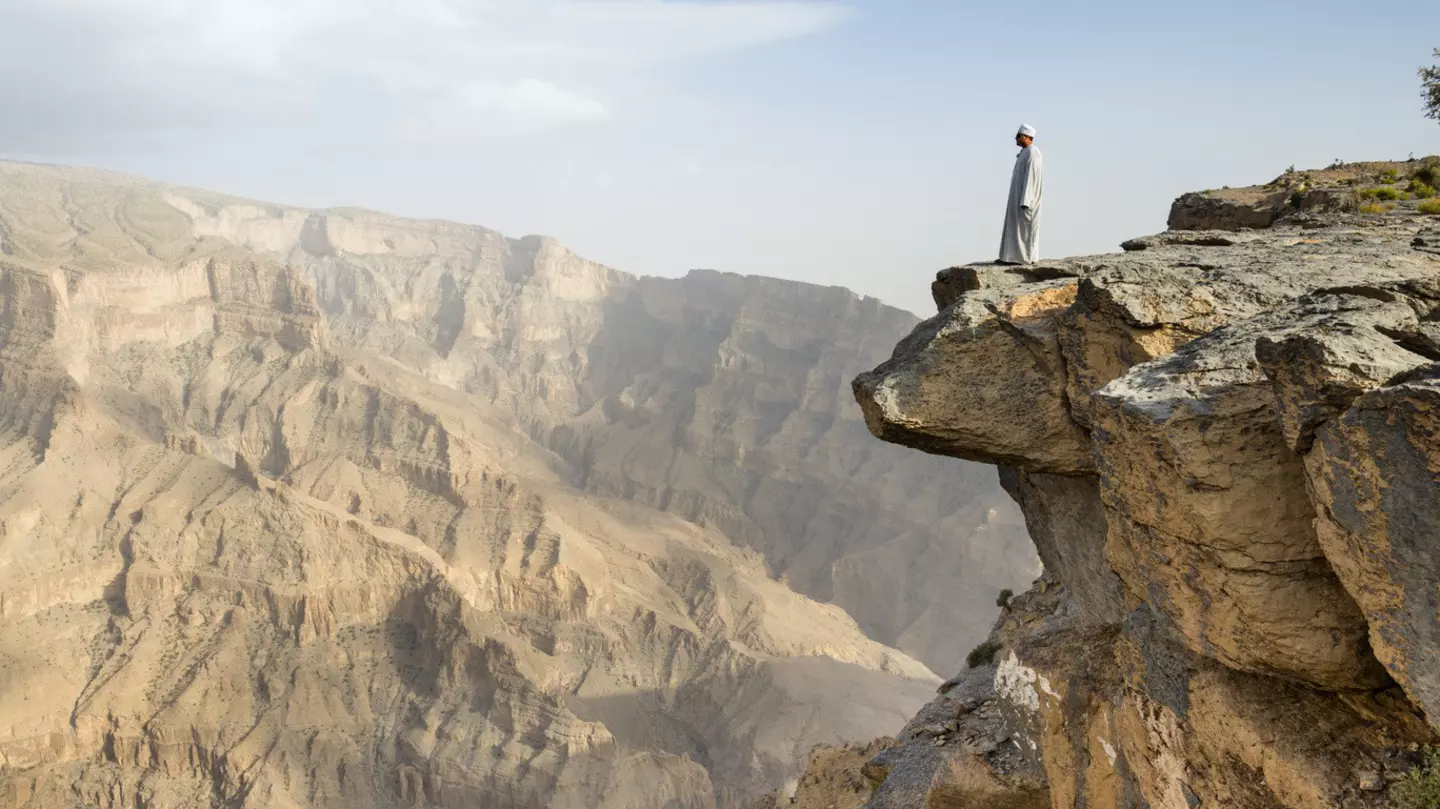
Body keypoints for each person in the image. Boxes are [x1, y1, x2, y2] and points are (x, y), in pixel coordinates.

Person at [998, 124, 1044, 265]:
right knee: (1014, 228)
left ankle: (1025, 258)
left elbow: (1032, 177)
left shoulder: (1033, 153)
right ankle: (1011, 257)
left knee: (1025, 231)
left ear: (1026, 137)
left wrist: (1026, 199)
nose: (1016, 139)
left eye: (1018, 136)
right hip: (1018, 197)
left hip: (1026, 199)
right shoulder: (1025, 152)